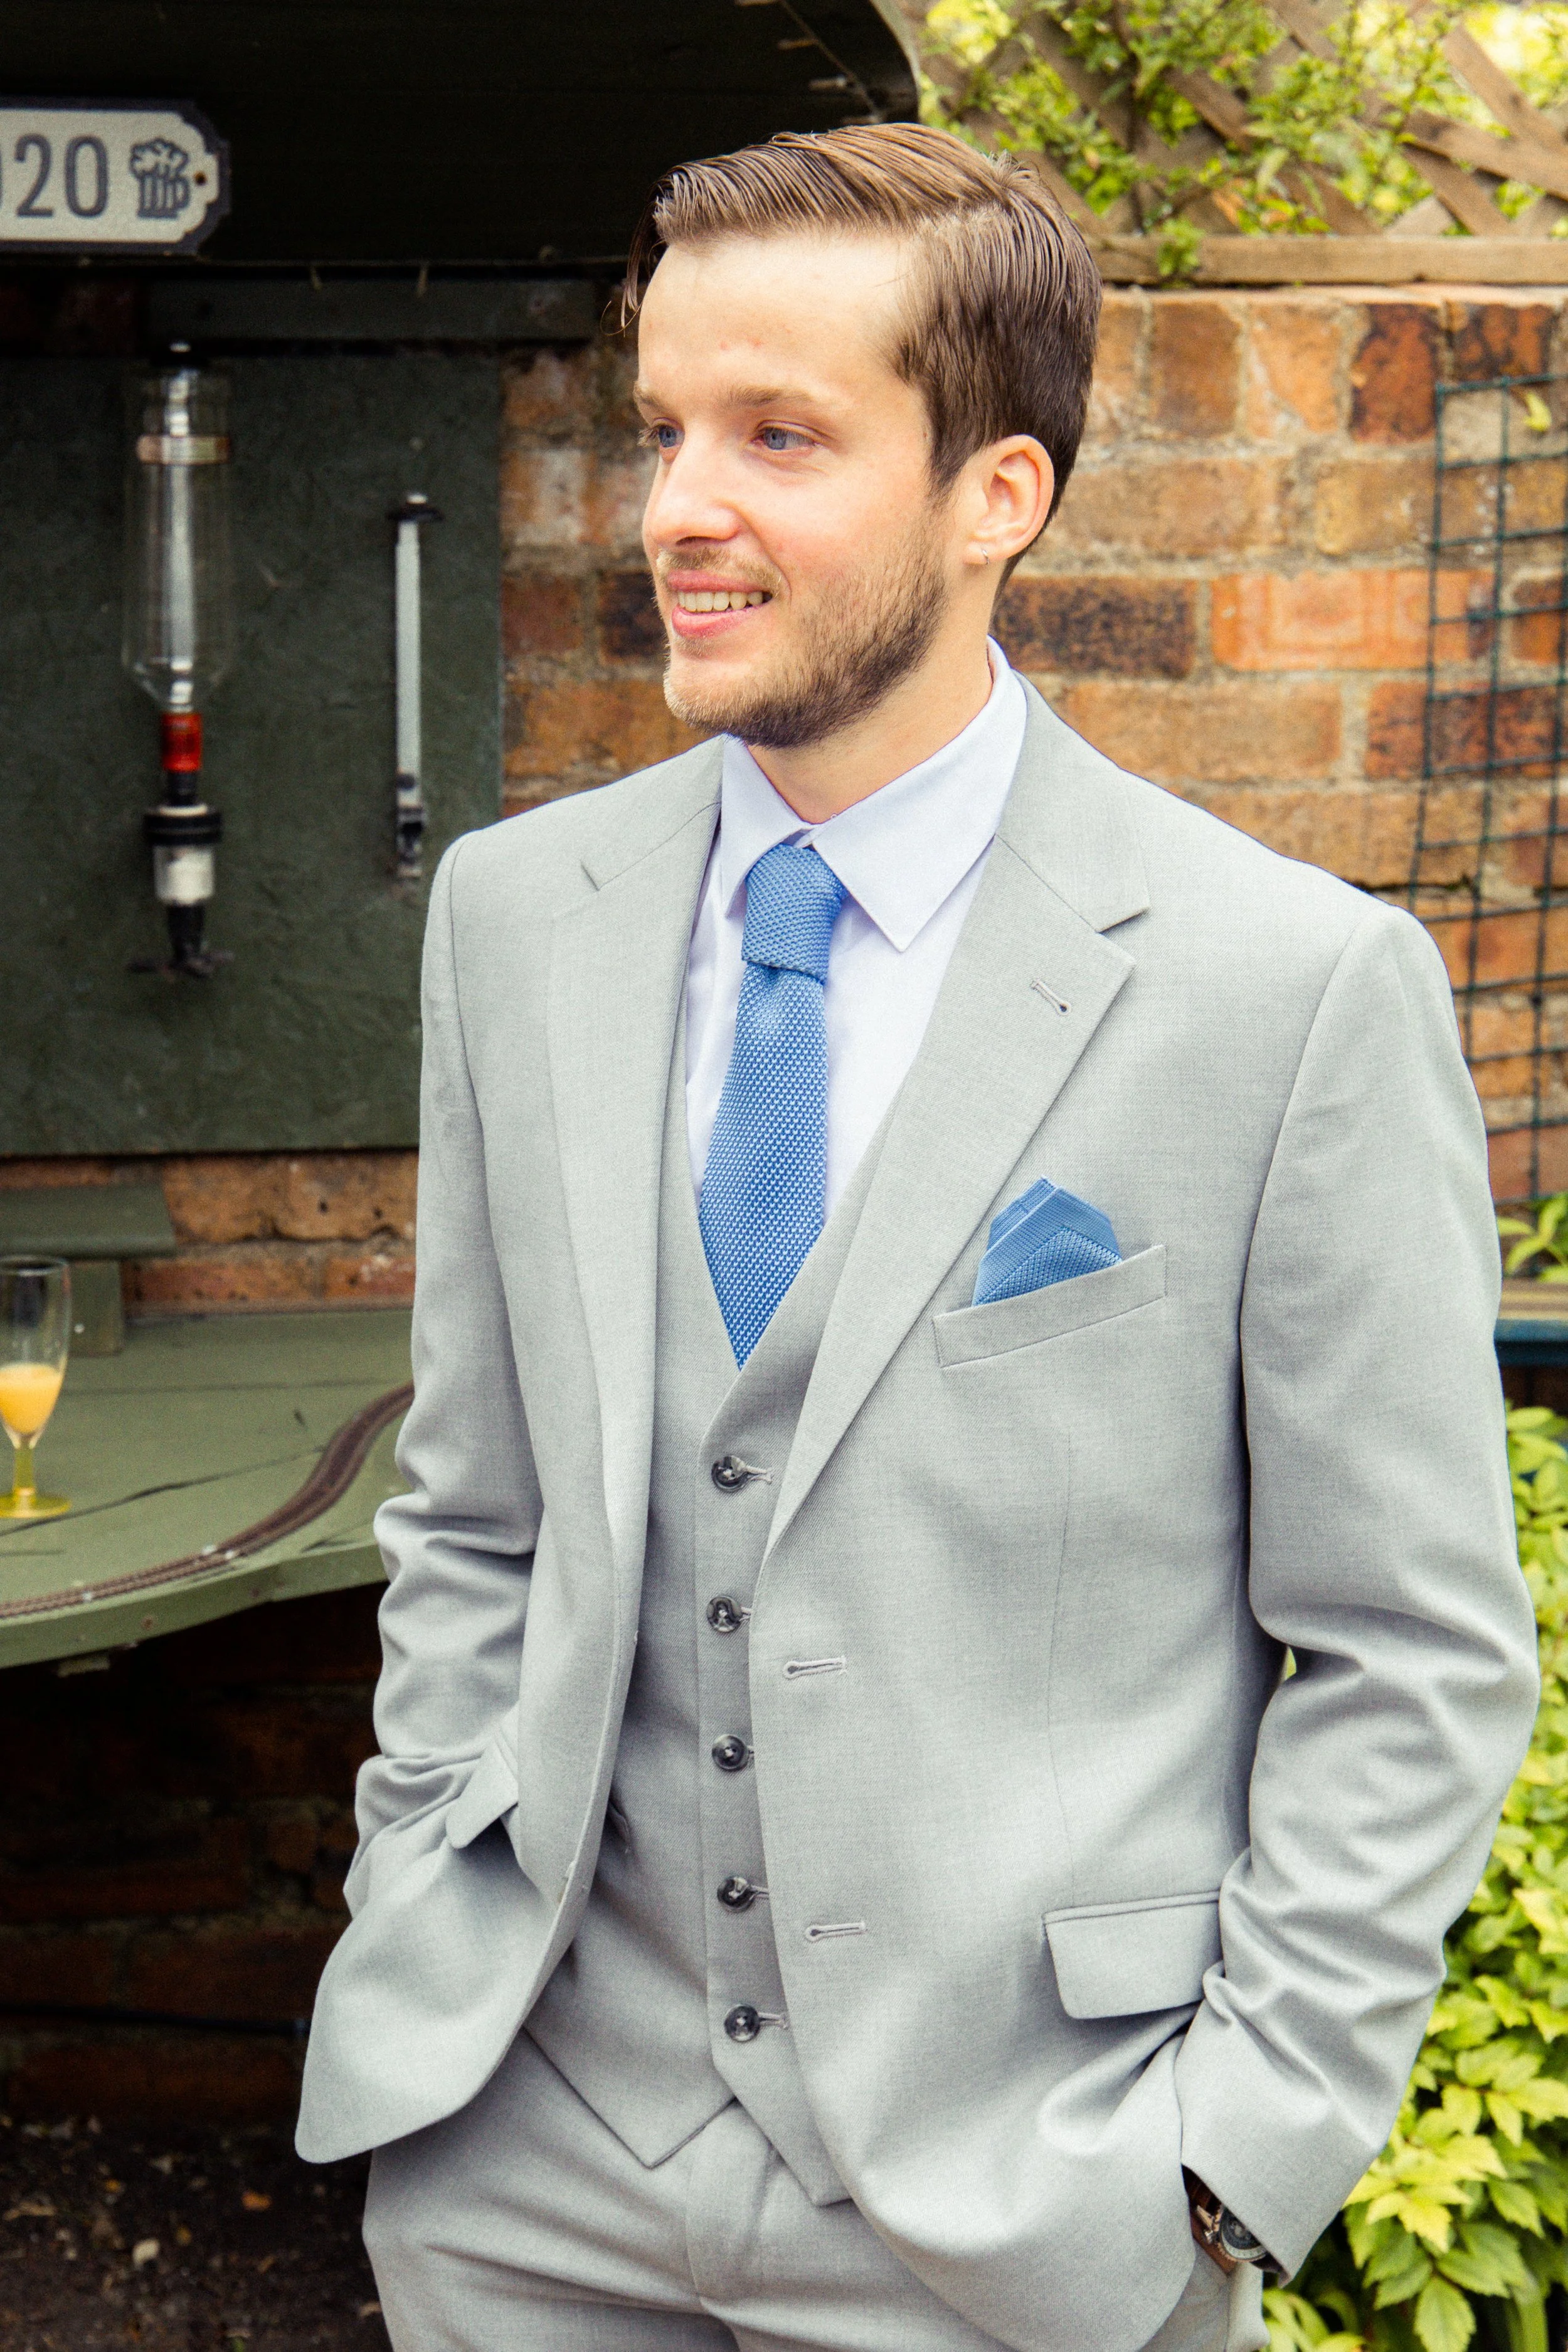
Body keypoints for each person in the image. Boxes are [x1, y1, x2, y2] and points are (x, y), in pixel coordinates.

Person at [296, 122, 1539, 2352]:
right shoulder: (514, 921)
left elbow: (1407, 1647)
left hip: (1033, 2222)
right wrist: (422, 1914)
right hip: (527, 2185)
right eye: (664, 426)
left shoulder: (1281, 987)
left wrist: (1226, 2160)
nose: (679, 503)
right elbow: (475, 1515)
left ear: (998, 494)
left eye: (781, 434)